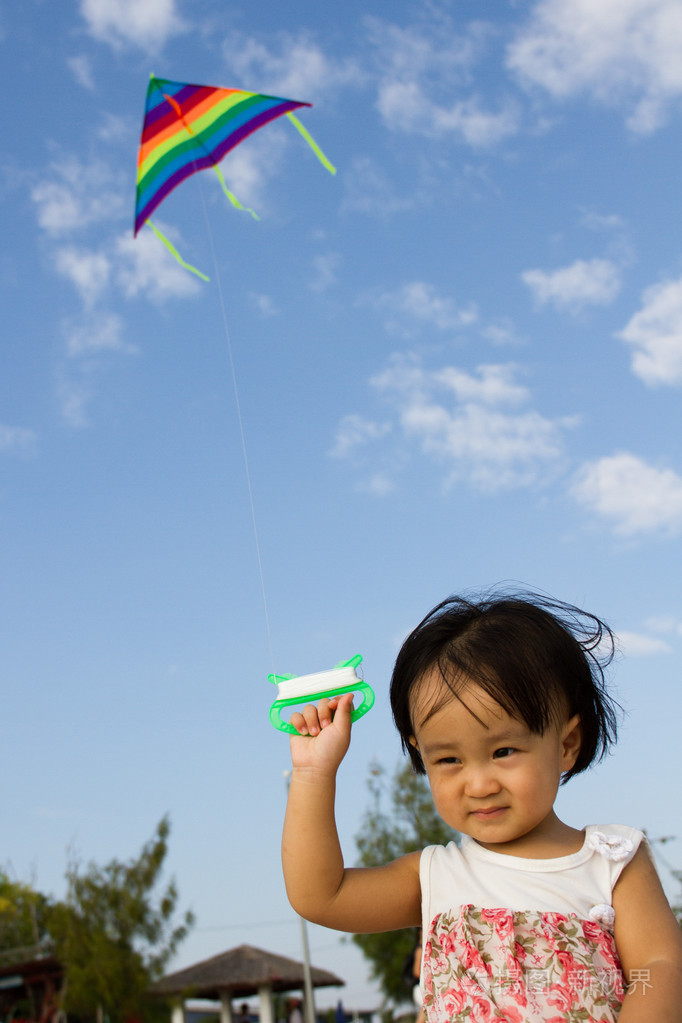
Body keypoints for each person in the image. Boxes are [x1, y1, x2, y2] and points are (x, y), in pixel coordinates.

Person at [281, 591, 682, 1022]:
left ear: (566, 745)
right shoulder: (435, 876)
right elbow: (321, 896)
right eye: (448, 759)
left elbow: (660, 967)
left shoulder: (612, 860)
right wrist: (313, 774)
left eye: (504, 751)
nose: (479, 784)